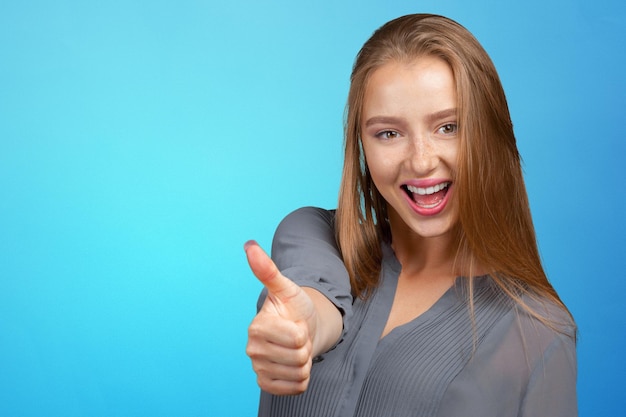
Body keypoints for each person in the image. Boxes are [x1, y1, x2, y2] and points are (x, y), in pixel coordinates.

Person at [244, 13, 577, 417]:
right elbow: (315, 304)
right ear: (361, 146)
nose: (420, 162)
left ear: (489, 132)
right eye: (389, 133)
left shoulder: (537, 333)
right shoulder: (314, 234)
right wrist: (303, 331)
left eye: (449, 127)